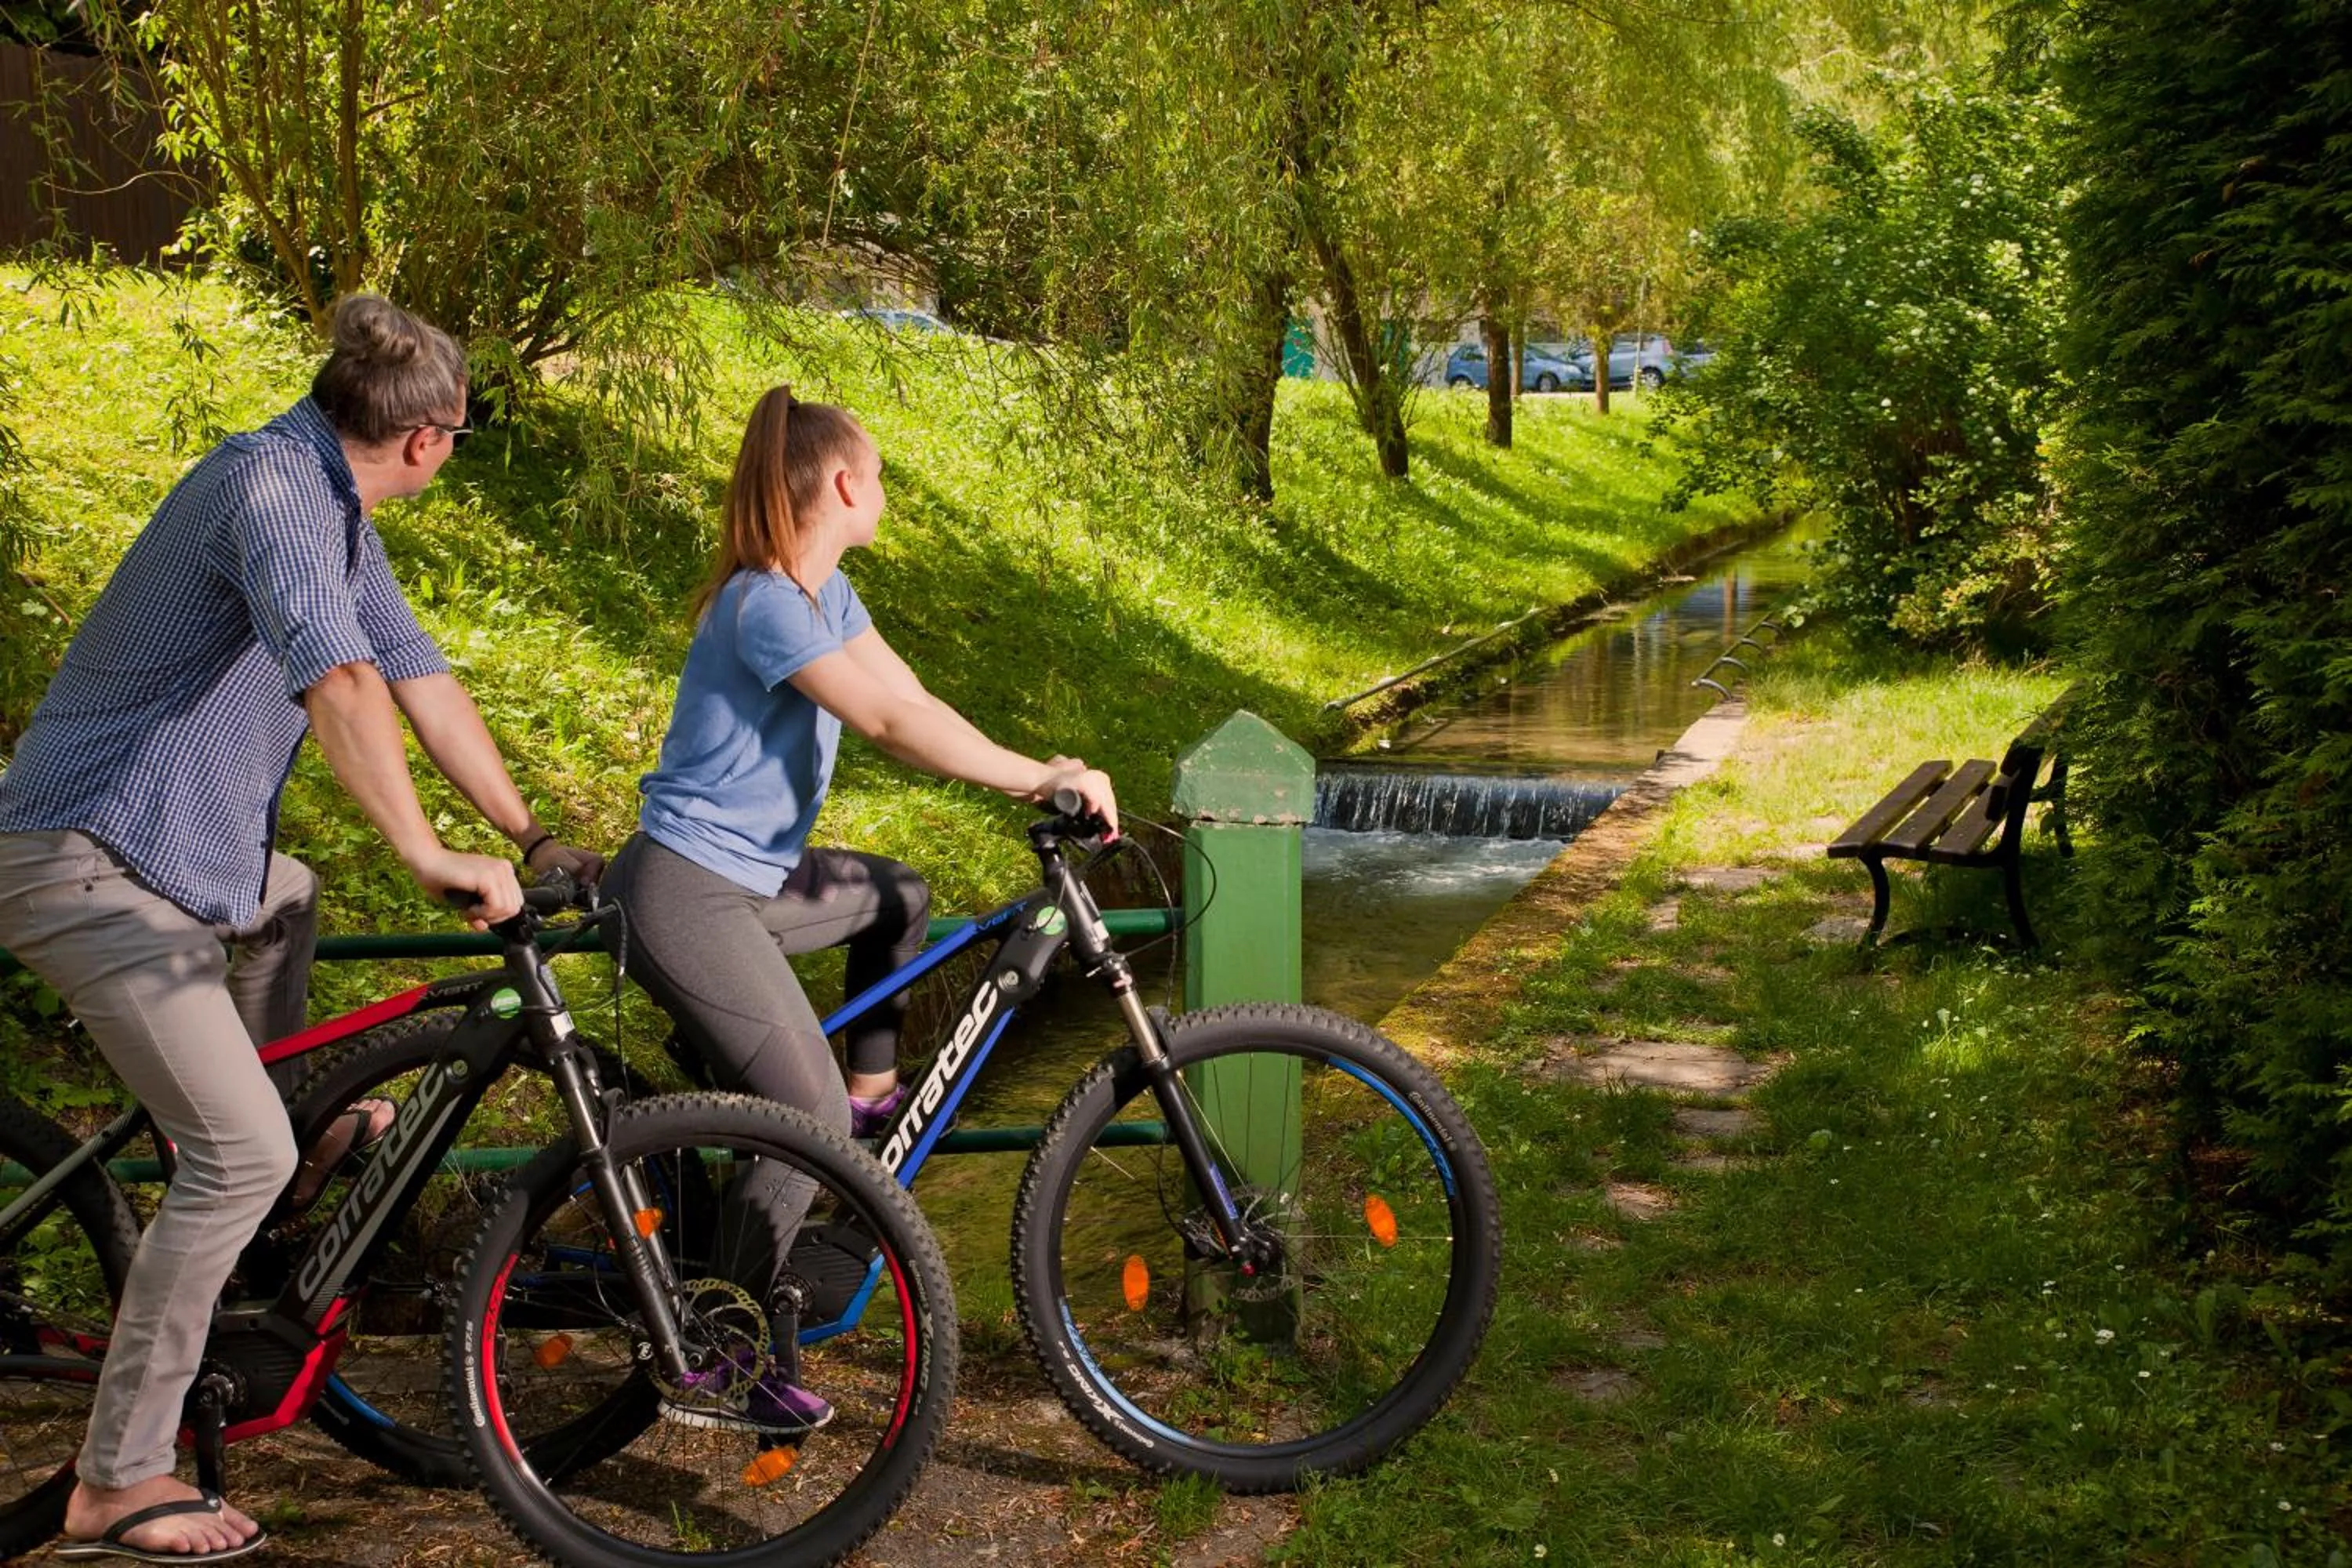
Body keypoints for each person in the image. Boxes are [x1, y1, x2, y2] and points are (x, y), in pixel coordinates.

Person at [0, 296, 601, 1563]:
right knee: (236, 1160)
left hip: (174, 856)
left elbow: (418, 675)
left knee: (289, 895)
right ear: (431, 439)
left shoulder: (330, 508)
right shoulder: (269, 491)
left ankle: (289, 1116)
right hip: (88, 858)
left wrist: (535, 835)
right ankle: (117, 1476)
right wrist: (428, 852)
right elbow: (338, 678)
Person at [605, 385, 1116, 1434]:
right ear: (843, 484)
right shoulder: (763, 603)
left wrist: (1046, 766)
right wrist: (1035, 782)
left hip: (752, 882)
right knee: (805, 1118)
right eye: (877, 475)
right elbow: (882, 721)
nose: (882, 489)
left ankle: (870, 1097)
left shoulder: (823, 593)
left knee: (900, 897)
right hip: (684, 891)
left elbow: (915, 697)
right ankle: (712, 1352)